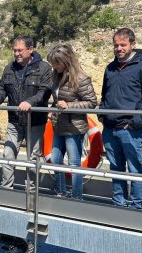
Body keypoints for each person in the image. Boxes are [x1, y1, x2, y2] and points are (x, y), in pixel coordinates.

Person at [99, 28, 142, 209]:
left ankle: (136, 206)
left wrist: (135, 122)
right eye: (116, 45)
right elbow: (104, 96)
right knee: (116, 168)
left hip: (130, 129)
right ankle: (118, 203)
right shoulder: (110, 68)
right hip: (110, 128)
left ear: (133, 44)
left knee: (135, 169)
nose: (119, 48)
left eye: (123, 45)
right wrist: (102, 115)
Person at [0, 36, 52, 189]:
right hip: (15, 121)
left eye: (20, 50)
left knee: (33, 157)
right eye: (14, 50)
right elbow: (2, 88)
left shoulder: (43, 68)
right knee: (8, 154)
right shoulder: (9, 68)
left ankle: (31, 191)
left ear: (30, 49)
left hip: (34, 122)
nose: (16, 53)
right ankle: (6, 188)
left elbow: (44, 91)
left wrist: (30, 102)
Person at [46, 44, 97, 199]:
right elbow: (56, 98)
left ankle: (76, 197)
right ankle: (61, 191)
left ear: (66, 61)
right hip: (58, 124)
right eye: (53, 63)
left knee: (74, 163)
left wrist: (69, 106)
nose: (54, 66)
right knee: (55, 158)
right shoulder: (56, 75)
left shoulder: (81, 78)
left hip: (74, 127)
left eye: (57, 63)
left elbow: (91, 102)